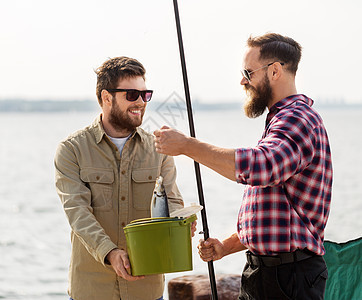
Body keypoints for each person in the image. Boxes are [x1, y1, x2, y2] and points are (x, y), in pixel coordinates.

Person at [154, 33, 332, 299]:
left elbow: (262, 166)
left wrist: (187, 146)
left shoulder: (297, 118)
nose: (242, 80)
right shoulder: (282, 120)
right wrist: (226, 246)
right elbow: (275, 216)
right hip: (266, 274)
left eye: (248, 72)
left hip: (289, 278)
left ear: (274, 71)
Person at [54, 56, 185, 300]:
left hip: (147, 292)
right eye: (132, 95)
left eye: (145, 95)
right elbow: (77, 213)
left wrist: (181, 225)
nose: (141, 103)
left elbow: (174, 203)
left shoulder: (160, 150)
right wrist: (111, 253)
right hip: (91, 291)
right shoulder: (72, 150)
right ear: (106, 98)